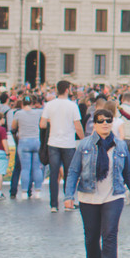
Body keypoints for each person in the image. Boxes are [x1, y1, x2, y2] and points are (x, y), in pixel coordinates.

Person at [73, 106, 130, 258]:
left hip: (113, 195)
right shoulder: (84, 145)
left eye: (108, 120)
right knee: (91, 237)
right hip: (88, 196)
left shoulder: (120, 145)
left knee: (110, 235)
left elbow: (128, 172)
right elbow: (74, 171)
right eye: (101, 121)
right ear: (94, 124)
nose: (105, 124)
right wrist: (68, 195)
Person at [40, 81, 83, 210]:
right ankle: (68, 201)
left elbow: (42, 124)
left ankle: (53, 205)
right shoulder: (72, 106)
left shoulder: (49, 105)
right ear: (67, 90)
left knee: (54, 174)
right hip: (68, 143)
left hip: (53, 142)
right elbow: (77, 126)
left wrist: (52, 122)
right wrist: (84, 139)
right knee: (69, 173)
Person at [11, 95, 44, 200]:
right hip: (35, 140)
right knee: (36, 168)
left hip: (24, 141)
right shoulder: (38, 112)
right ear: (32, 104)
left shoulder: (18, 113)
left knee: (25, 169)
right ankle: (38, 191)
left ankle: (24, 192)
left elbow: (13, 127)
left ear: (22, 104)